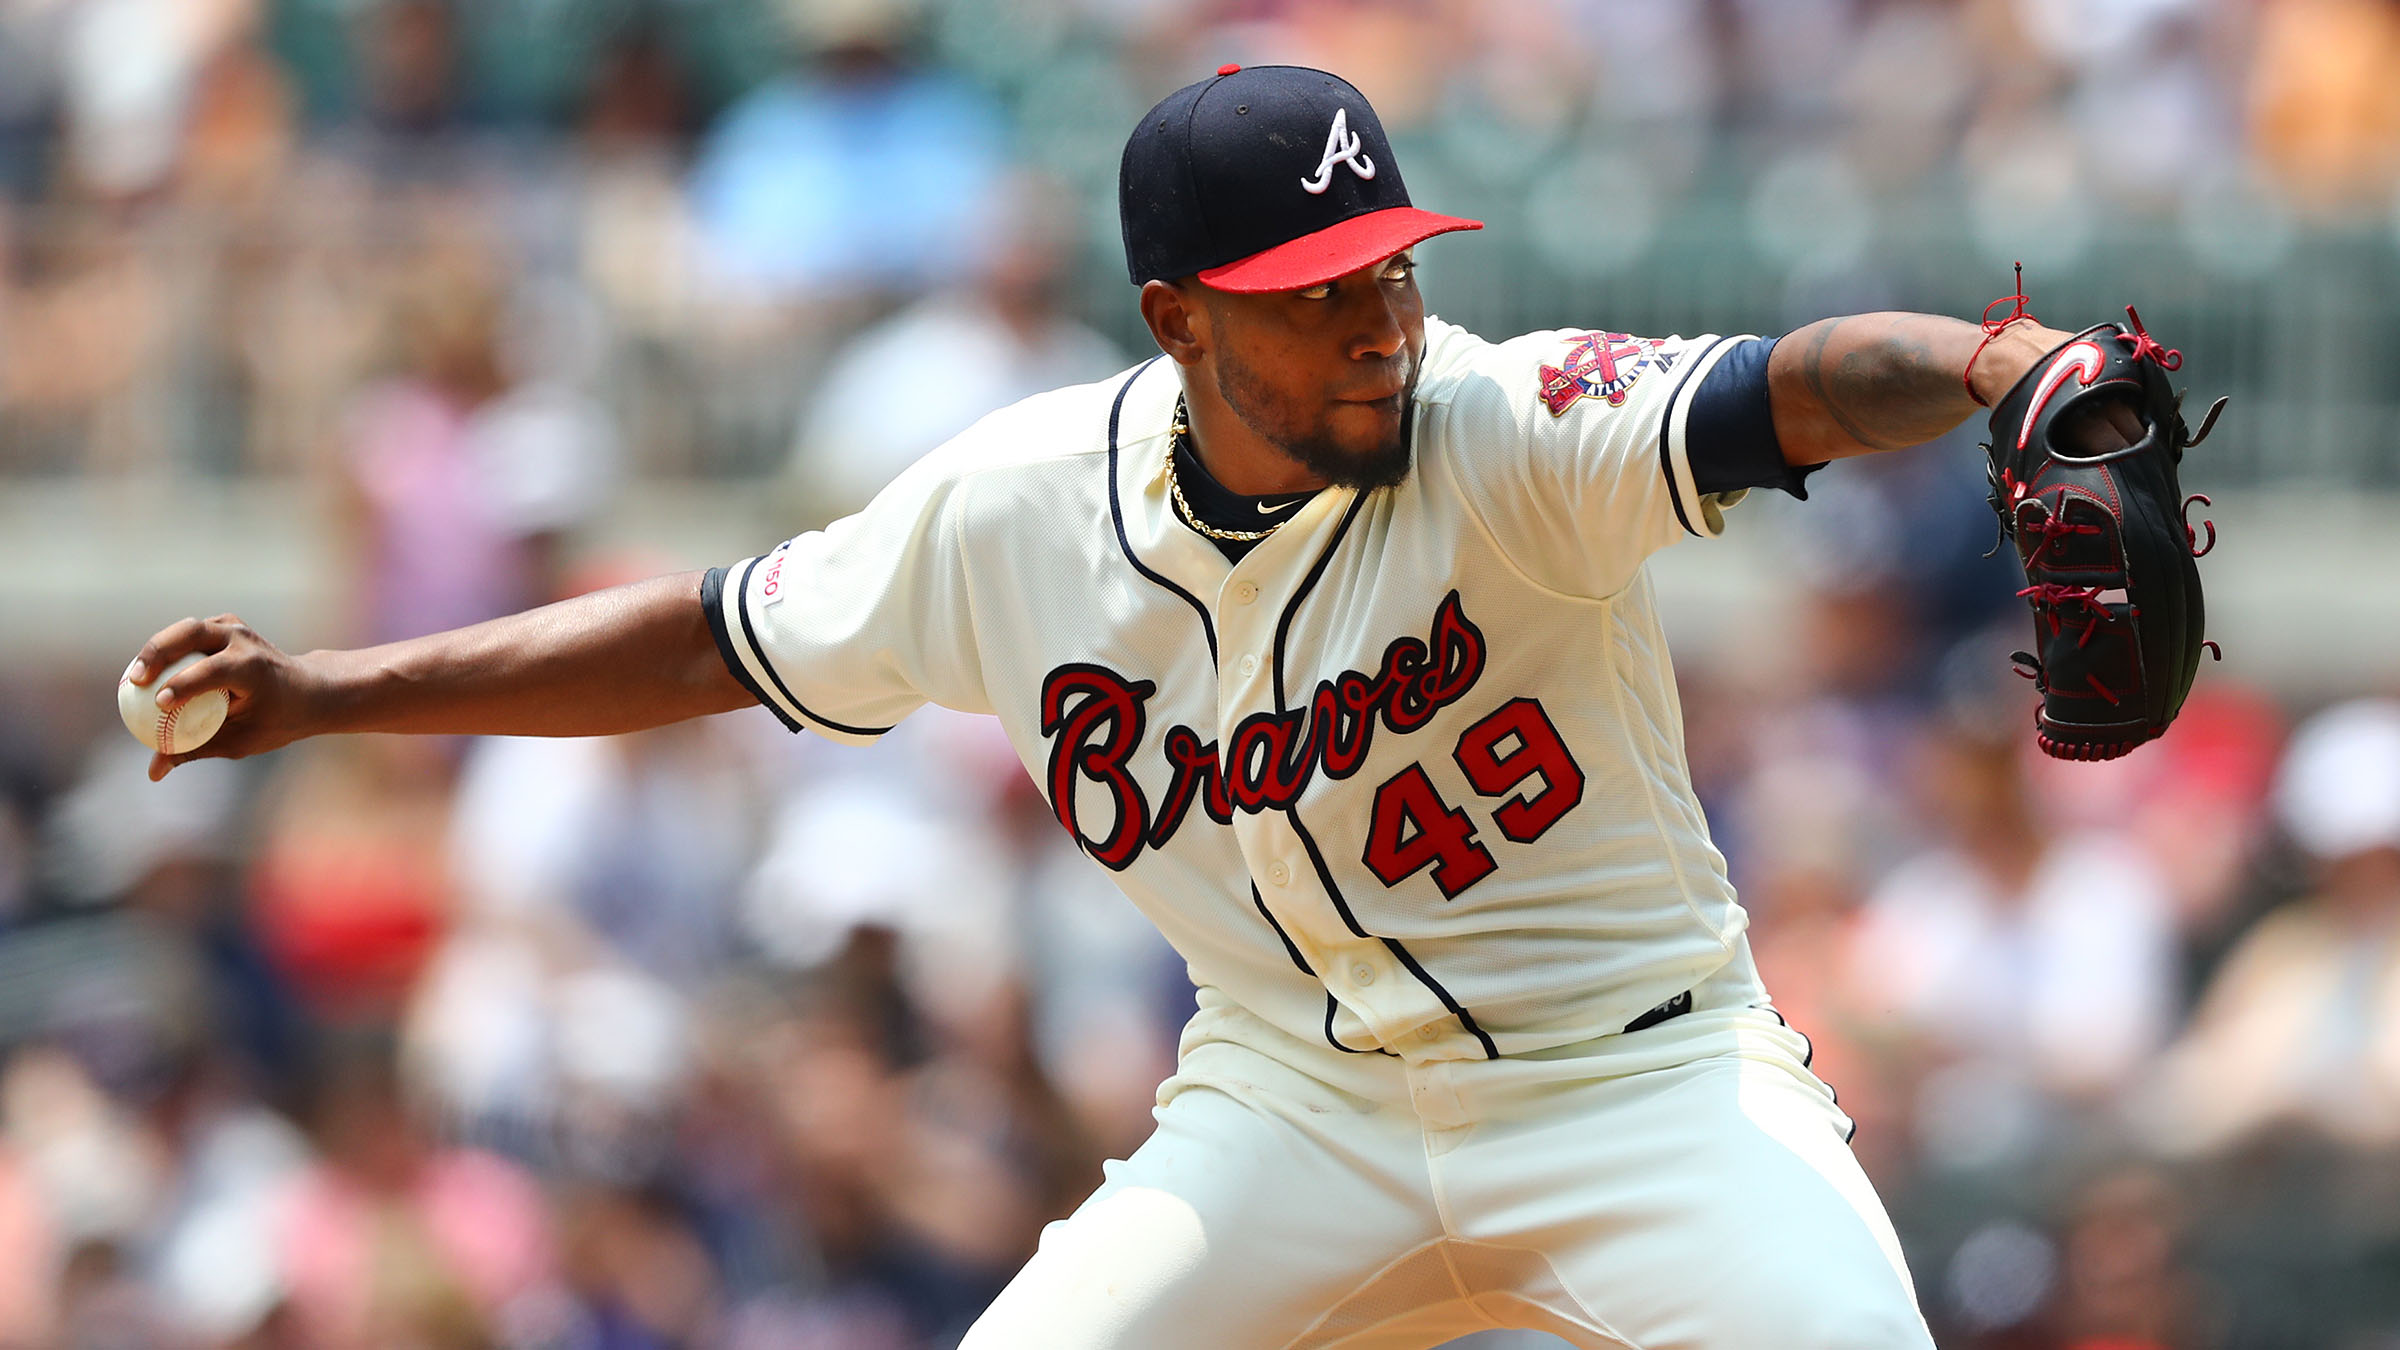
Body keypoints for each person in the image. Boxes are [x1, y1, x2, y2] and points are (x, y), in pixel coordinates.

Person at [128, 64, 2137, 1349]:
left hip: (1646, 1087)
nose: (1381, 322)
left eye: (1394, 272)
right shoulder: (1012, 511)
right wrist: (324, 696)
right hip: (1292, 1105)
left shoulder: (1503, 428)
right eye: (1319, 290)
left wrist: (1997, 363)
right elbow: (707, 639)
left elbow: (1790, 387)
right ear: (1179, 318)